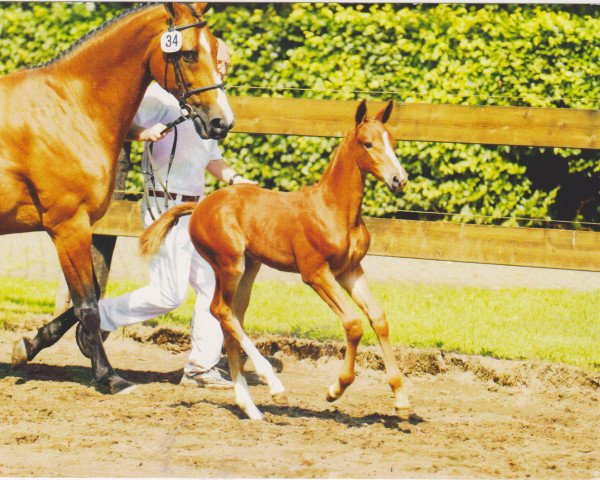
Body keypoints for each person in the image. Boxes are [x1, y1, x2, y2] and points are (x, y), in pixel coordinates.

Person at [97, 39, 253, 389]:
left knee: (214, 282)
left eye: (227, 64)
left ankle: (200, 368)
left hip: (195, 209)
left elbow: (209, 157)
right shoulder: (160, 96)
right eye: (221, 61)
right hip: (162, 205)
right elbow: (119, 123)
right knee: (169, 294)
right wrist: (143, 132)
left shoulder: (207, 102)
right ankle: (101, 315)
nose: (225, 69)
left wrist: (234, 178)